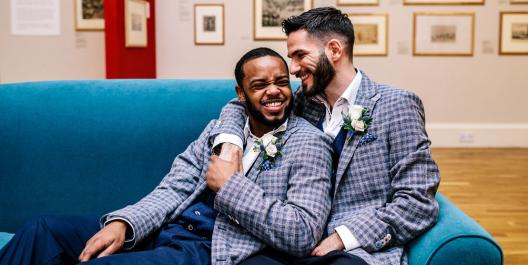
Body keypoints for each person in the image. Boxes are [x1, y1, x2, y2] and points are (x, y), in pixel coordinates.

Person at [0, 47, 334, 265]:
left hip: (208, 245)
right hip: (164, 228)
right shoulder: (222, 130)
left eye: (281, 82)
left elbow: (302, 232)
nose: (273, 91)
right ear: (241, 94)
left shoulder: (309, 143)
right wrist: (124, 224)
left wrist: (230, 186)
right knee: (41, 229)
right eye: (260, 84)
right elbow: (172, 189)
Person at [213, 7, 440, 265]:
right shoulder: (302, 101)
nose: (293, 68)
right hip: (289, 240)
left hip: (353, 251)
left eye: (300, 56)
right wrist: (230, 144)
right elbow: (238, 104)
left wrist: (343, 237)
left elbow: (418, 202)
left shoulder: (396, 105)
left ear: (334, 50)